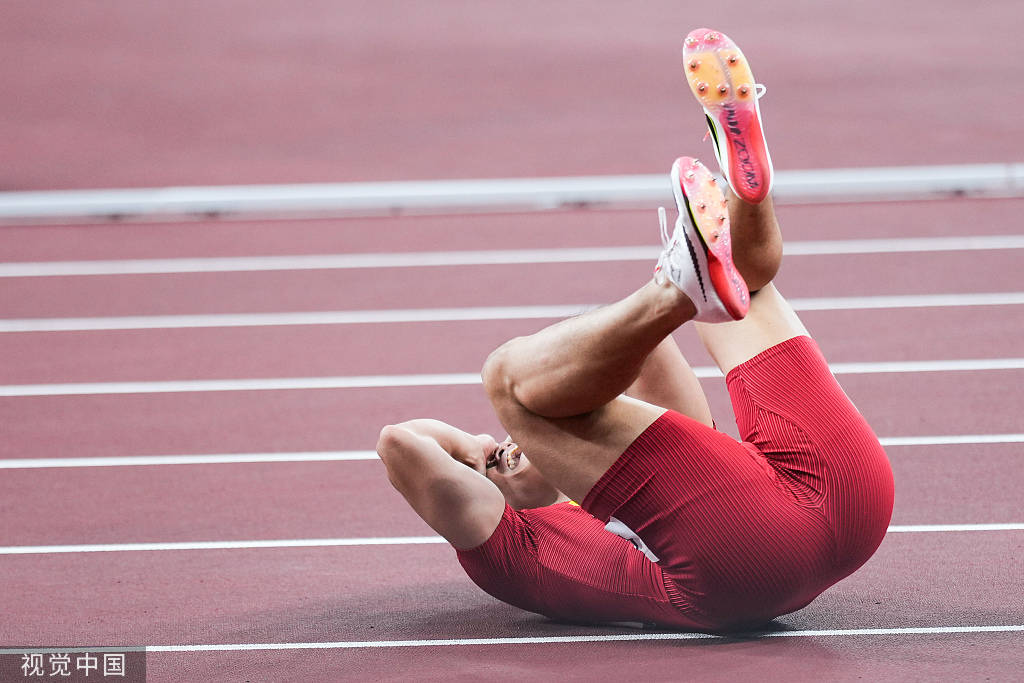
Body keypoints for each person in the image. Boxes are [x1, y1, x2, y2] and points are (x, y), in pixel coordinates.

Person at [375, 28, 894, 632]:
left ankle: (740, 190)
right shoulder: (513, 548)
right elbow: (400, 443)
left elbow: (652, 360)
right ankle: (677, 282)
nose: (511, 451)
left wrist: (511, 446)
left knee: (733, 295)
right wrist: (486, 459)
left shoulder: (665, 481)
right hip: (747, 559)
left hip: (831, 487)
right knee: (508, 382)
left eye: (512, 449)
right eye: (507, 460)